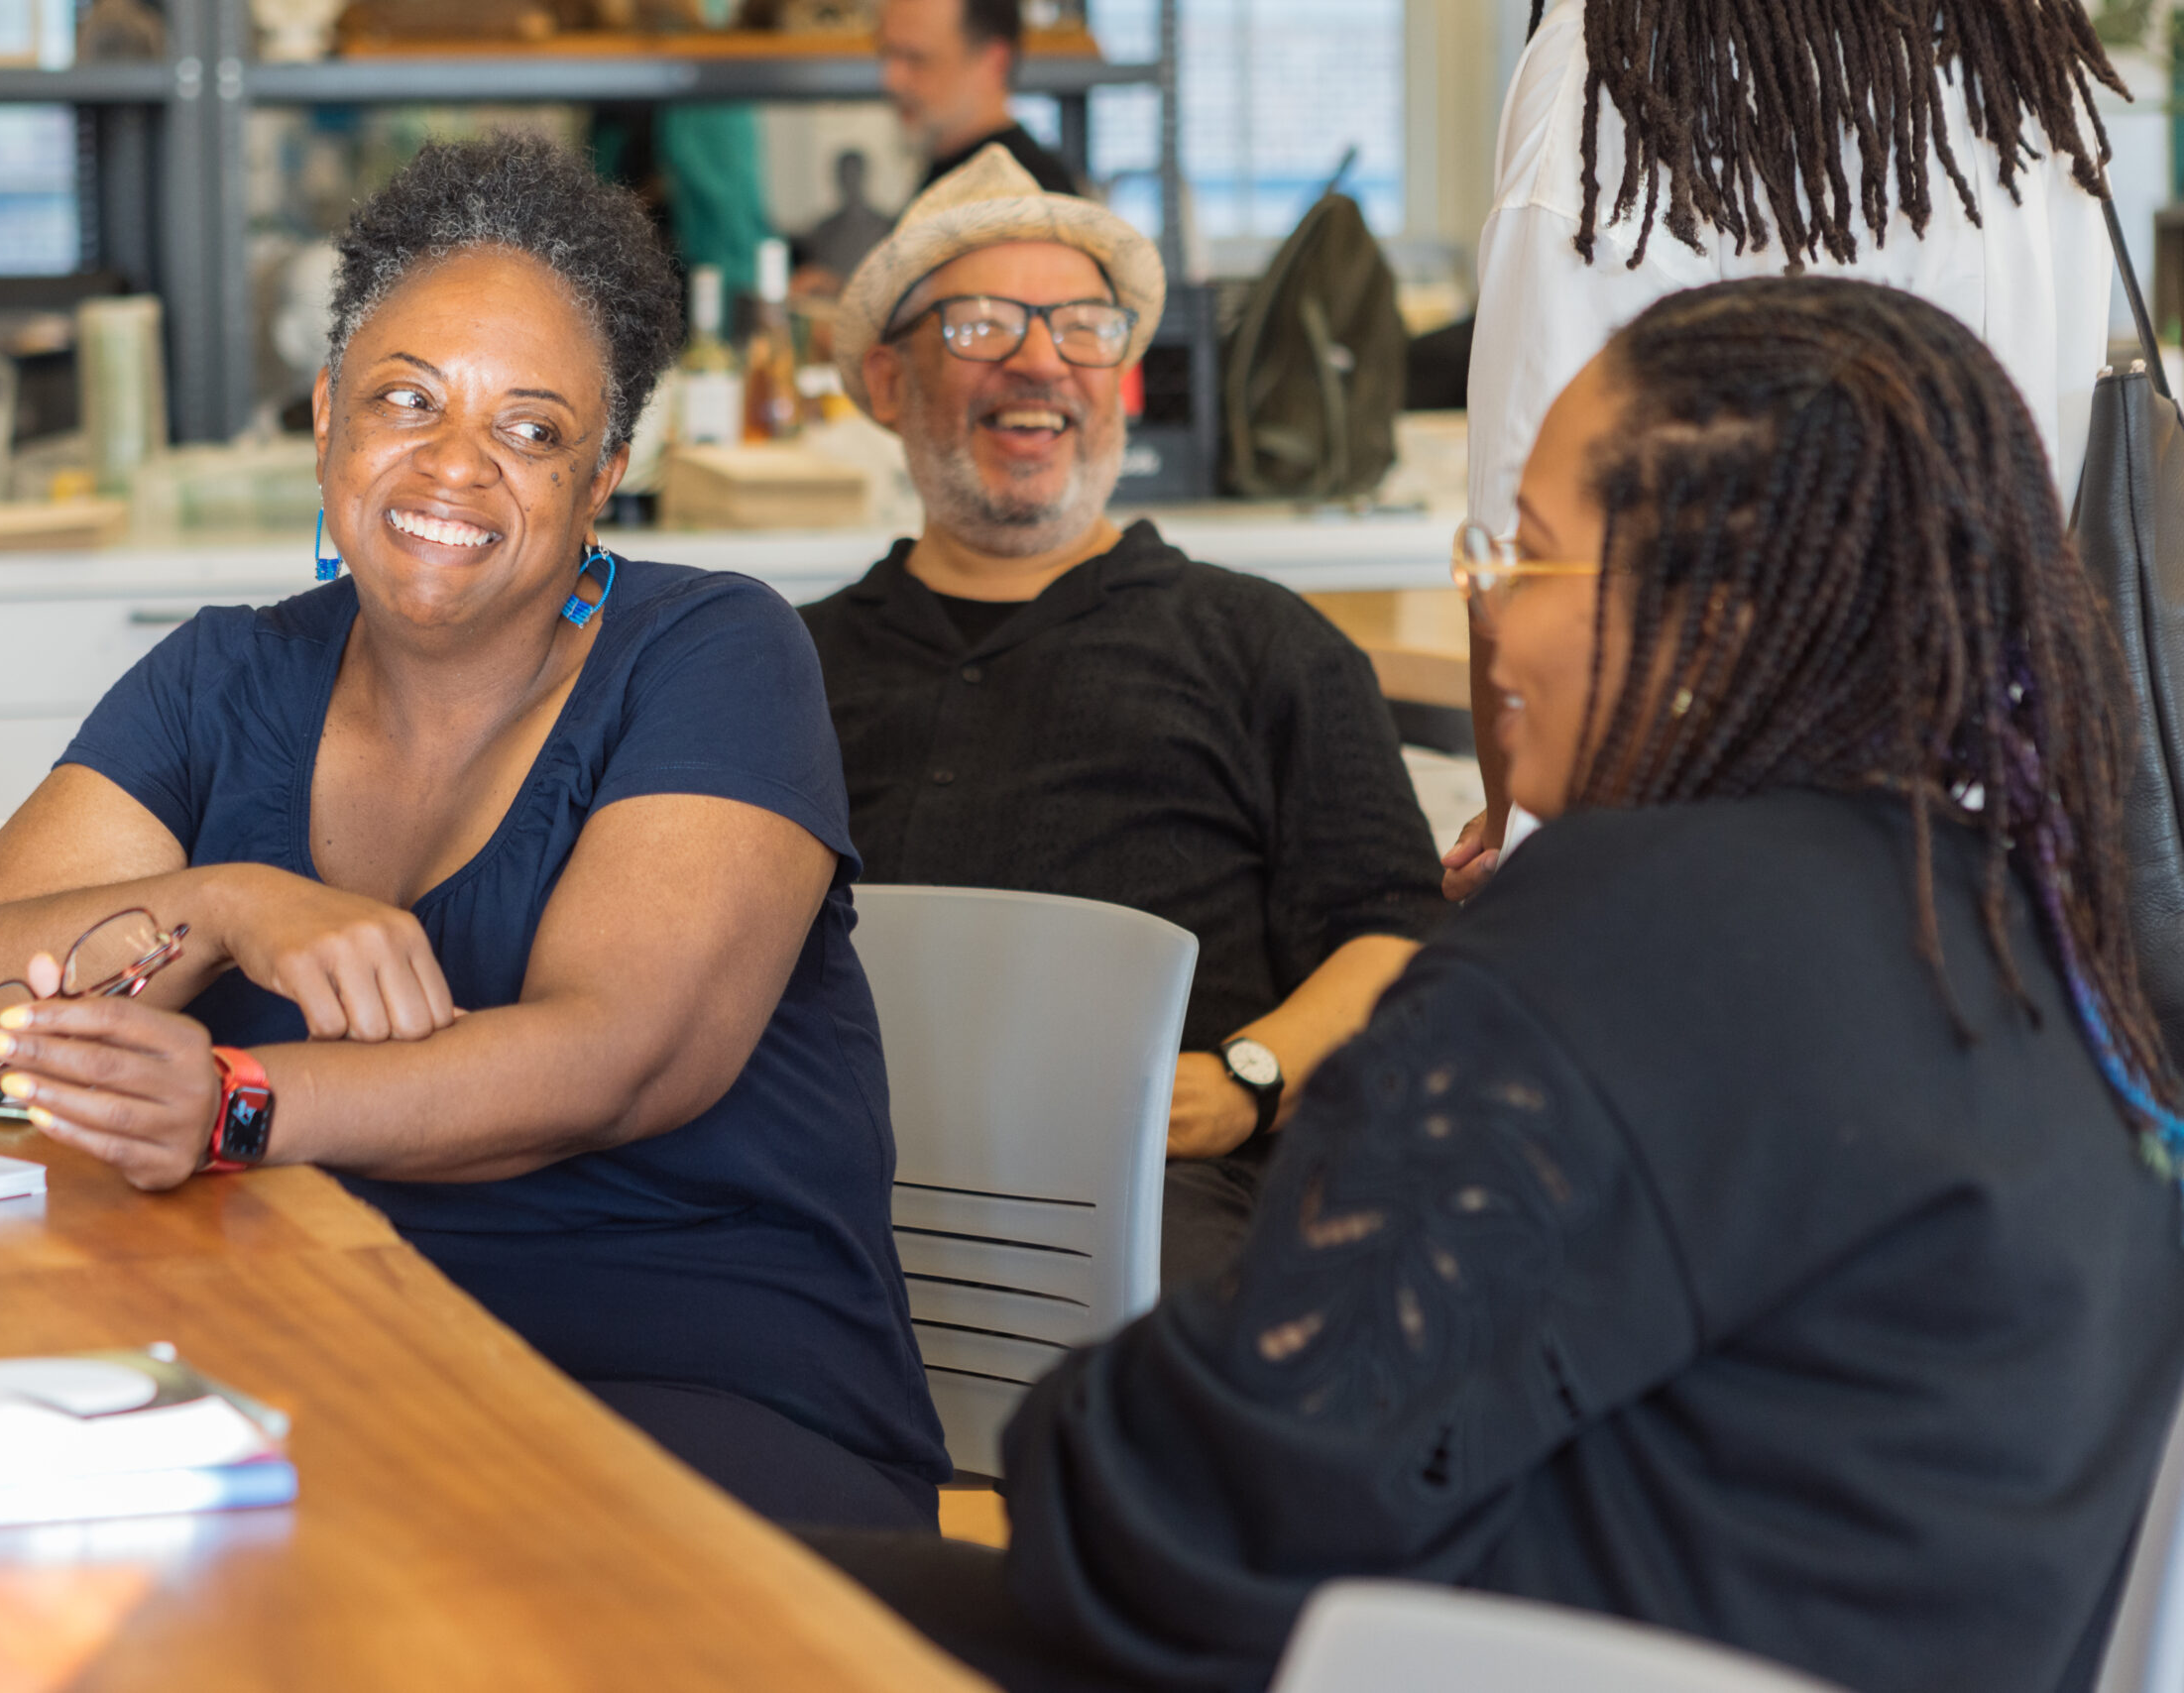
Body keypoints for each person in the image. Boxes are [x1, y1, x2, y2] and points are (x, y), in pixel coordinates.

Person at [804, 278, 2184, 1693]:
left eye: (1521, 557)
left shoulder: (1634, 935)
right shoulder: (2027, 929)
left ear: (1710, 613)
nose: (1490, 619)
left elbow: (1186, 1503)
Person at [0, 133, 949, 1532]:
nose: (454, 469)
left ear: (604, 471)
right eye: (406, 400)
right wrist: (234, 903)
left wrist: (230, 1104)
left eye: (531, 428)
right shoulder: (223, 678)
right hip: (309, 1360)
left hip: (687, 1381)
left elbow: (615, 1060)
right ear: (327, 418)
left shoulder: (713, 652)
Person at [801, 146, 1451, 1289]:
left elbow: (1390, 933)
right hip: (819, 1200)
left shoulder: (1264, 645)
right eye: (981, 326)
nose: (1039, 363)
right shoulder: (780, 663)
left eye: (1082, 328)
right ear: (890, 380)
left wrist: (1245, 1081)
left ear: (1127, 381)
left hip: (1153, 1203)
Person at [1446, 0, 2125, 897]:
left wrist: (1511, 829)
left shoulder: (1621, 61)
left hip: (1692, 878)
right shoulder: (2025, 51)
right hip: (2003, 859)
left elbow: (1533, 531)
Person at [879, 0, 1077, 196]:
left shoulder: (1026, 197)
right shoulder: (949, 172)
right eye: (887, 55)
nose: (892, 81)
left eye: (916, 58)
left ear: (994, 63)